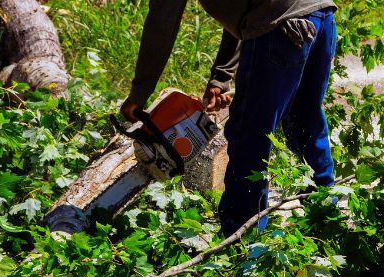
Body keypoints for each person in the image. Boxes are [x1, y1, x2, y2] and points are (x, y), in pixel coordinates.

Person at [121, 0, 338, 234]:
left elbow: (163, 22)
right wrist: (221, 78)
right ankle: (326, 214)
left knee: (250, 135)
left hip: (279, 25)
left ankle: (241, 242)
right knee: (305, 119)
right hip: (321, 15)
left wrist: (139, 94)